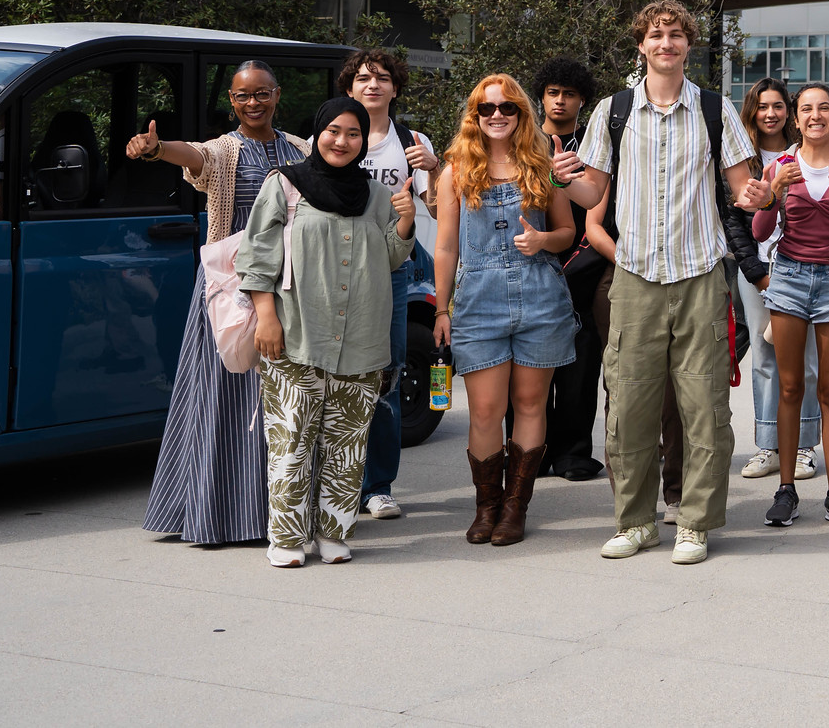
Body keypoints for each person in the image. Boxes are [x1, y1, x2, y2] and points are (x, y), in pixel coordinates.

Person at [552, 0, 766, 566]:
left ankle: (694, 523)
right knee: (627, 406)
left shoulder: (716, 110)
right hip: (635, 276)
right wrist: (559, 179)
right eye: (656, 34)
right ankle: (636, 521)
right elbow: (592, 192)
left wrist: (761, 197)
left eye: (675, 34)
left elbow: (745, 190)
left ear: (688, 46)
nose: (666, 42)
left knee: (703, 408)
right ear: (640, 45)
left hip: (699, 275)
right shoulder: (613, 111)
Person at [134, 61, 307, 546]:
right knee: (222, 397)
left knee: (280, 402)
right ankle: (218, 514)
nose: (253, 103)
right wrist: (158, 149)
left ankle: (275, 513)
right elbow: (195, 157)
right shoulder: (225, 150)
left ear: (277, 94)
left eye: (262, 94)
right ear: (231, 101)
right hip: (229, 293)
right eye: (242, 96)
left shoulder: (299, 149)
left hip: (287, 289)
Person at [240, 98, 415, 566]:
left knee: (347, 443)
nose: (342, 141)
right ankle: (287, 538)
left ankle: (334, 532)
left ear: (363, 141)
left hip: (361, 335)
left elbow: (393, 258)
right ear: (318, 132)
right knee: (292, 440)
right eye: (334, 130)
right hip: (296, 331)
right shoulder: (286, 185)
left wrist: (407, 220)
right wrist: (267, 317)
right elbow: (257, 257)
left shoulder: (375, 194)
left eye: (354, 134)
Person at [433, 75, 579, 548]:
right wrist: (441, 309)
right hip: (478, 301)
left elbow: (566, 233)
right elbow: (446, 246)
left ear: (521, 114)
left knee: (531, 405)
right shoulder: (455, 169)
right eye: (486, 108)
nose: (497, 115)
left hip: (541, 296)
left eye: (507, 108)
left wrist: (541, 241)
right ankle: (486, 506)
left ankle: (515, 507)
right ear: (474, 115)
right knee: (485, 411)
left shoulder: (543, 165)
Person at [752, 83, 829, 529]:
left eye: (824, 108)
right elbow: (760, 232)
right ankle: (786, 490)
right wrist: (774, 189)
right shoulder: (780, 164)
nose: (815, 116)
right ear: (796, 119)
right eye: (806, 109)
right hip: (790, 279)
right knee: (790, 387)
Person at [340, 48, 441, 523]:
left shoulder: (411, 141)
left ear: (395, 88)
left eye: (382, 78)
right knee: (332, 372)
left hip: (392, 270)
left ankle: (377, 486)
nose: (372, 85)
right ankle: (336, 479)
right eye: (363, 78)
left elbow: (439, 210)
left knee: (387, 372)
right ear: (349, 88)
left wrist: (436, 168)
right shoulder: (334, 135)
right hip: (335, 269)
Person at [735, 78, 822, 485]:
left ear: (789, 112)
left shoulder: (802, 154)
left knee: (804, 360)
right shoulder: (741, 158)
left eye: (778, 106)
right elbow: (734, 220)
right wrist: (756, 273)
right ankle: (768, 445)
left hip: (800, 266)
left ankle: (804, 445)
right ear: (751, 110)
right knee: (764, 359)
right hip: (756, 269)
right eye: (761, 106)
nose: (770, 113)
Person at [530, 55, 607, 482]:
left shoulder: (593, 150)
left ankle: (574, 453)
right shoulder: (522, 143)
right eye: (553, 93)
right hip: (530, 266)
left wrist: (577, 263)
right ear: (541, 97)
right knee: (530, 369)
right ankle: (531, 452)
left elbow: (600, 212)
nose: (560, 102)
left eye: (570, 94)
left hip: (583, 267)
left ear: (582, 101)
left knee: (580, 366)